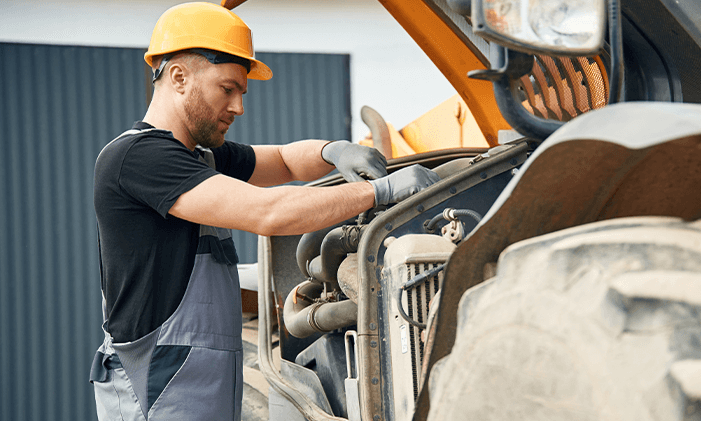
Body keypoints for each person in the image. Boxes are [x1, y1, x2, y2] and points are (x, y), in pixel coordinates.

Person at [88, 3, 439, 420]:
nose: (238, 107)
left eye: (241, 93)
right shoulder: (138, 158)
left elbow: (286, 162)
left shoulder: (201, 159)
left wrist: (333, 151)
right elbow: (268, 213)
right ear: (179, 77)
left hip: (192, 385)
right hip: (157, 386)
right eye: (227, 88)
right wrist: (378, 192)